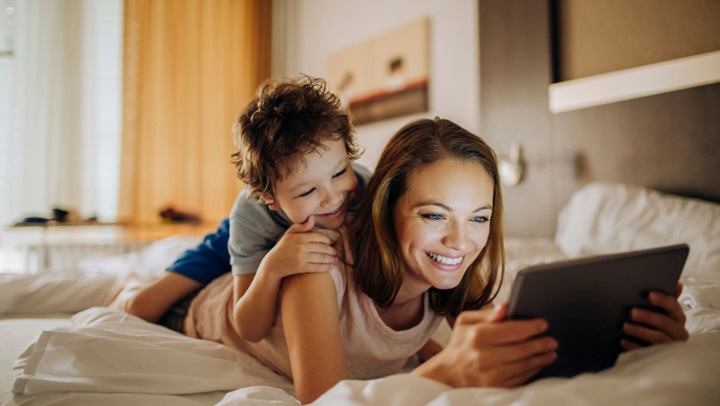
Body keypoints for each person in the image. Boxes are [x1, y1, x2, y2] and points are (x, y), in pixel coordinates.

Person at [181, 117, 690, 403]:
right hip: (207, 311)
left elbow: (486, 349)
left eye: (478, 218)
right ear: (386, 209)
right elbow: (324, 401)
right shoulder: (315, 267)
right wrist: (451, 372)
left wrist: (631, 338)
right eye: (433, 215)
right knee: (150, 294)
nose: (459, 243)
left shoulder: (449, 282)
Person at [110, 75, 371, 340]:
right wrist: (271, 268)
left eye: (339, 173)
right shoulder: (250, 214)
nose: (332, 197)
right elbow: (248, 327)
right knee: (142, 307)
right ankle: (131, 286)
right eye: (307, 191)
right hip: (225, 244)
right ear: (270, 198)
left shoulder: (366, 189)